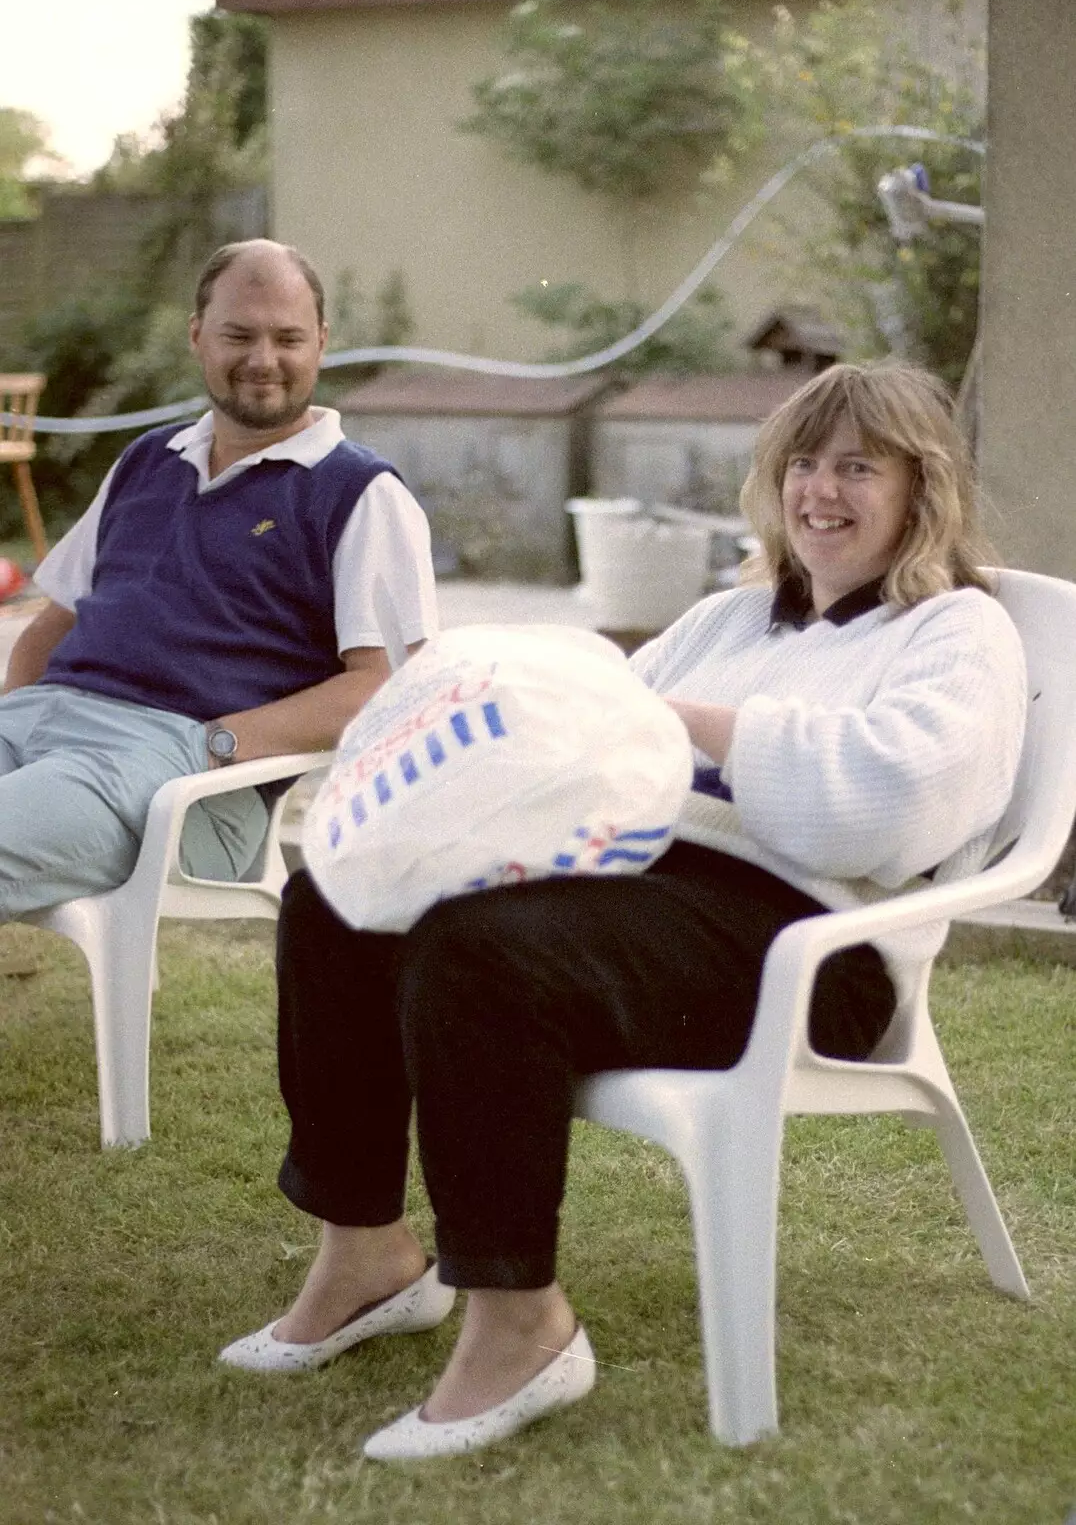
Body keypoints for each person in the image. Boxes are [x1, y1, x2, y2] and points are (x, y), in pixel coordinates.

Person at [219, 361, 1027, 1461]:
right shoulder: (727, 617)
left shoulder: (953, 631)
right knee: (340, 898)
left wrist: (692, 727)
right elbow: (584, 742)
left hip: (807, 943)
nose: (819, 491)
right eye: (801, 464)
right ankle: (365, 1252)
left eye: (856, 468)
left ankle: (522, 1324)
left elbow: (887, 807)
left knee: (479, 952)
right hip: (639, 889)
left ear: (919, 489)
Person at [0, 239, 437, 917]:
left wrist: (213, 743)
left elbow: (385, 689)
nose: (264, 361)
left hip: (187, 778)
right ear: (198, 336)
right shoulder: (148, 459)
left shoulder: (360, 493)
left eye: (288, 338)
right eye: (239, 335)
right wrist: (19, 723)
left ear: (321, 342)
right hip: (44, 728)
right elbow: (53, 622)